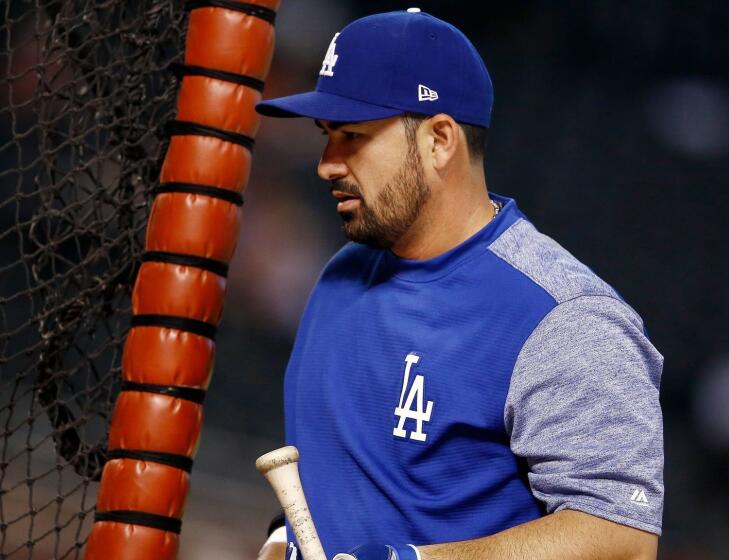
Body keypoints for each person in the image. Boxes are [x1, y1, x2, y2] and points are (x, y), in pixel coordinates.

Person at [254, 8, 664, 560]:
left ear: (439, 140)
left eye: (352, 135)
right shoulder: (341, 275)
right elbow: (334, 482)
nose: (327, 164)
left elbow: (621, 539)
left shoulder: (561, 315)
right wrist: (283, 542)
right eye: (326, 135)